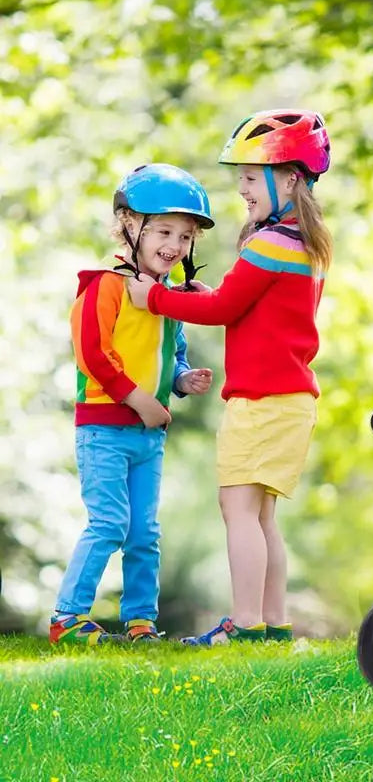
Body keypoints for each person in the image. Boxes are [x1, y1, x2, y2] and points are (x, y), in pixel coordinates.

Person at [128, 109, 332, 646]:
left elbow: (224, 310)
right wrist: (202, 296)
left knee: (238, 508)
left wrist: (154, 296)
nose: (241, 187)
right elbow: (244, 306)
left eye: (250, 174)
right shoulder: (301, 244)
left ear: (289, 178)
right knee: (261, 515)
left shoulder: (270, 242)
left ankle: (244, 626)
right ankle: (271, 625)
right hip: (287, 399)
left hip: (264, 400)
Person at [50, 164, 215, 645]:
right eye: (164, 231)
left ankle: (141, 620)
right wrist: (139, 399)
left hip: (148, 435)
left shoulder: (165, 298)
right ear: (129, 223)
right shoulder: (104, 284)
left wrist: (182, 379)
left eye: (185, 237)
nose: (175, 245)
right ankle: (68, 616)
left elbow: (172, 353)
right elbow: (92, 353)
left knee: (144, 532)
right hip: (104, 429)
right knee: (109, 524)